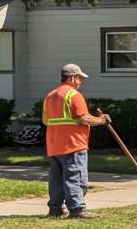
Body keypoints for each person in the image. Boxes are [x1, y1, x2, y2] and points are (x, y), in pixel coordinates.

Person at [41, 63, 111, 219]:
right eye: (79, 78)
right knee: (76, 177)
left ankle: (55, 209)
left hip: (54, 145)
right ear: (72, 78)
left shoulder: (50, 96)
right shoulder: (73, 95)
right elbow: (83, 118)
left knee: (57, 179)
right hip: (73, 144)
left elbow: (46, 120)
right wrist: (102, 120)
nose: (80, 82)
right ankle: (77, 209)